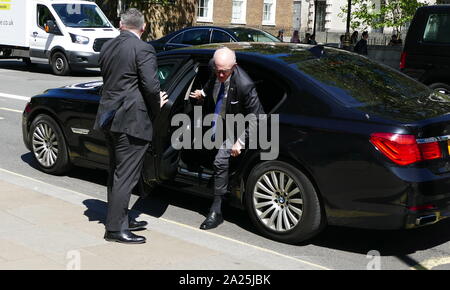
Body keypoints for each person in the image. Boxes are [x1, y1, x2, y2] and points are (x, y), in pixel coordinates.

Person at [93, 8, 168, 244]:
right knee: (125, 176)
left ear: (120, 24)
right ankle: (115, 229)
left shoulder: (108, 46)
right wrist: (157, 107)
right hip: (131, 120)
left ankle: (119, 218)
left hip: (109, 117)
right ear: (143, 28)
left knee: (116, 172)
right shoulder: (143, 48)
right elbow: (150, 85)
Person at [189, 47, 264, 230]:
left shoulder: (244, 85)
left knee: (220, 161)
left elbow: (258, 116)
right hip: (218, 120)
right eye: (218, 70)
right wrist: (204, 94)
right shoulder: (215, 68)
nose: (220, 74)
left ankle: (217, 210)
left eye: (225, 71)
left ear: (234, 67)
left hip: (236, 127)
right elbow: (211, 82)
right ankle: (224, 184)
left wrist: (241, 141)